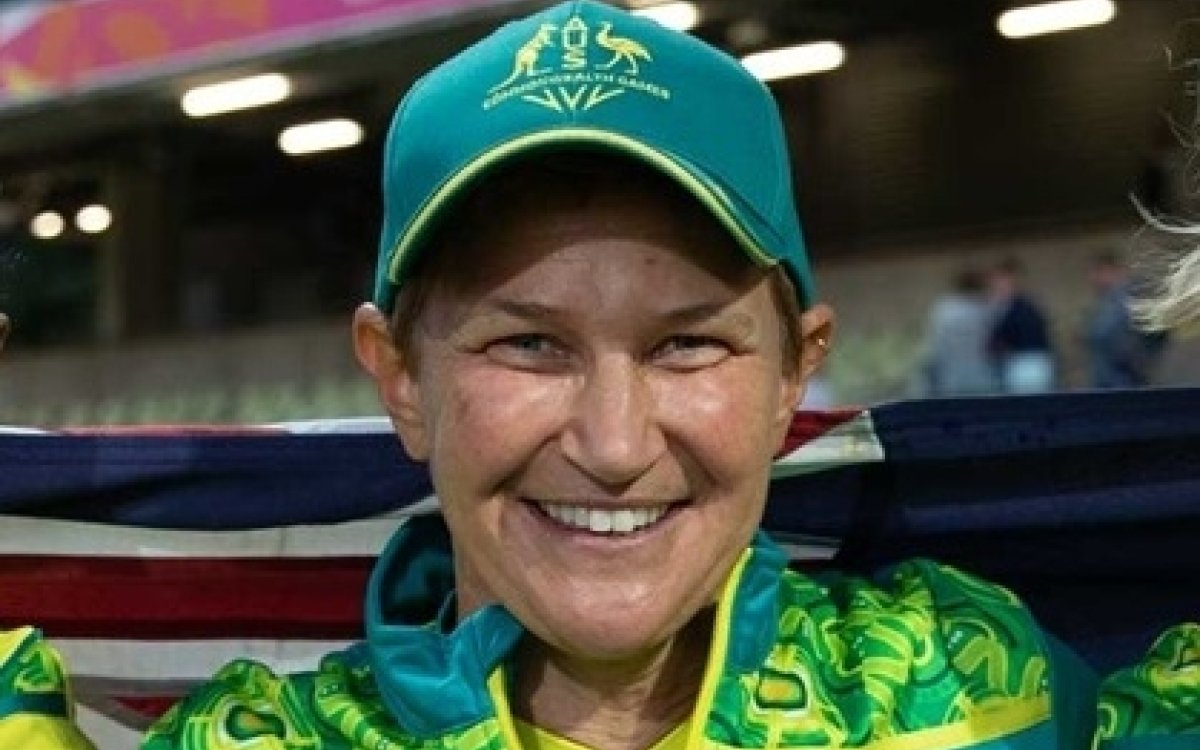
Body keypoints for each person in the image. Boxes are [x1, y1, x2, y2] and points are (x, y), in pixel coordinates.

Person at [1, 2, 1195, 749]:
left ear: (797, 371)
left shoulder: (974, 683)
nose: (616, 446)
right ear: (400, 379)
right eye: (528, 344)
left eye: (688, 344)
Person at [1086, 252, 1167, 388]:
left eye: (1099, 272)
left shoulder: (1125, 301)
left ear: (1114, 271)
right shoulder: (1107, 302)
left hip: (1125, 382)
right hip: (1108, 380)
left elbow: (1155, 333)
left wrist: (1138, 360)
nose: (1093, 278)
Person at [921, 269, 997, 396]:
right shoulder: (986, 311)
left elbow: (935, 346)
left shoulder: (943, 309)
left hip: (950, 377)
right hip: (981, 376)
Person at [987, 258, 1055, 394]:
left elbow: (1002, 340)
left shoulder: (1024, 308)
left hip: (1028, 365)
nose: (997, 286)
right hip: (1021, 364)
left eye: (1001, 281)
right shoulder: (1008, 307)